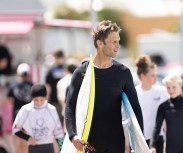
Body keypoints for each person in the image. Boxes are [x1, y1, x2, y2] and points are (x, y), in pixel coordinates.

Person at [65, 20, 143, 153]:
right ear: (100, 43)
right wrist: (73, 136)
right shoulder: (83, 73)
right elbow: (70, 107)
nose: (118, 45)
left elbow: (135, 108)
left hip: (115, 143)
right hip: (88, 143)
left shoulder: (123, 73)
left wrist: (138, 144)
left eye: (118, 41)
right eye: (114, 42)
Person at [150, 74, 183, 153]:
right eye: (168, 87)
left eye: (174, 87)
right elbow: (157, 127)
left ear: (180, 86)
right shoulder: (163, 106)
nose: (171, 90)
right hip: (171, 148)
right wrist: (152, 145)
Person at [12, 84, 64, 153]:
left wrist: (62, 149)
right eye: (36, 100)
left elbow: (59, 133)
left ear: (46, 97)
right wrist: (28, 138)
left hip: (48, 147)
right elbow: (15, 129)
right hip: (33, 147)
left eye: (41, 100)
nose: (39, 103)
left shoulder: (51, 109)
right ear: (32, 98)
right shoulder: (25, 110)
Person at [135, 54, 169, 153]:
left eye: (156, 75)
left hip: (158, 138)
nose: (155, 78)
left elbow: (165, 119)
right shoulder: (134, 94)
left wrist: (168, 140)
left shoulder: (162, 91)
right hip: (140, 139)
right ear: (142, 76)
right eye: (152, 75)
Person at [7, 63, 33, 153]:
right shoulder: (32, 85)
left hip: (17, 114)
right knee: (28, 139)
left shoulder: (14, 86)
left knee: (18, 138)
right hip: (29, 115)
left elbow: (9, 99)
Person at [45, 49, 65, 121]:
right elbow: (48, 86)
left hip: (62, 100)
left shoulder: (66, 68)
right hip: (57, 100)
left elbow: (48, 86)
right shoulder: (66, 69)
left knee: (58, 120)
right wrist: (47, 98)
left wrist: (47, 98)